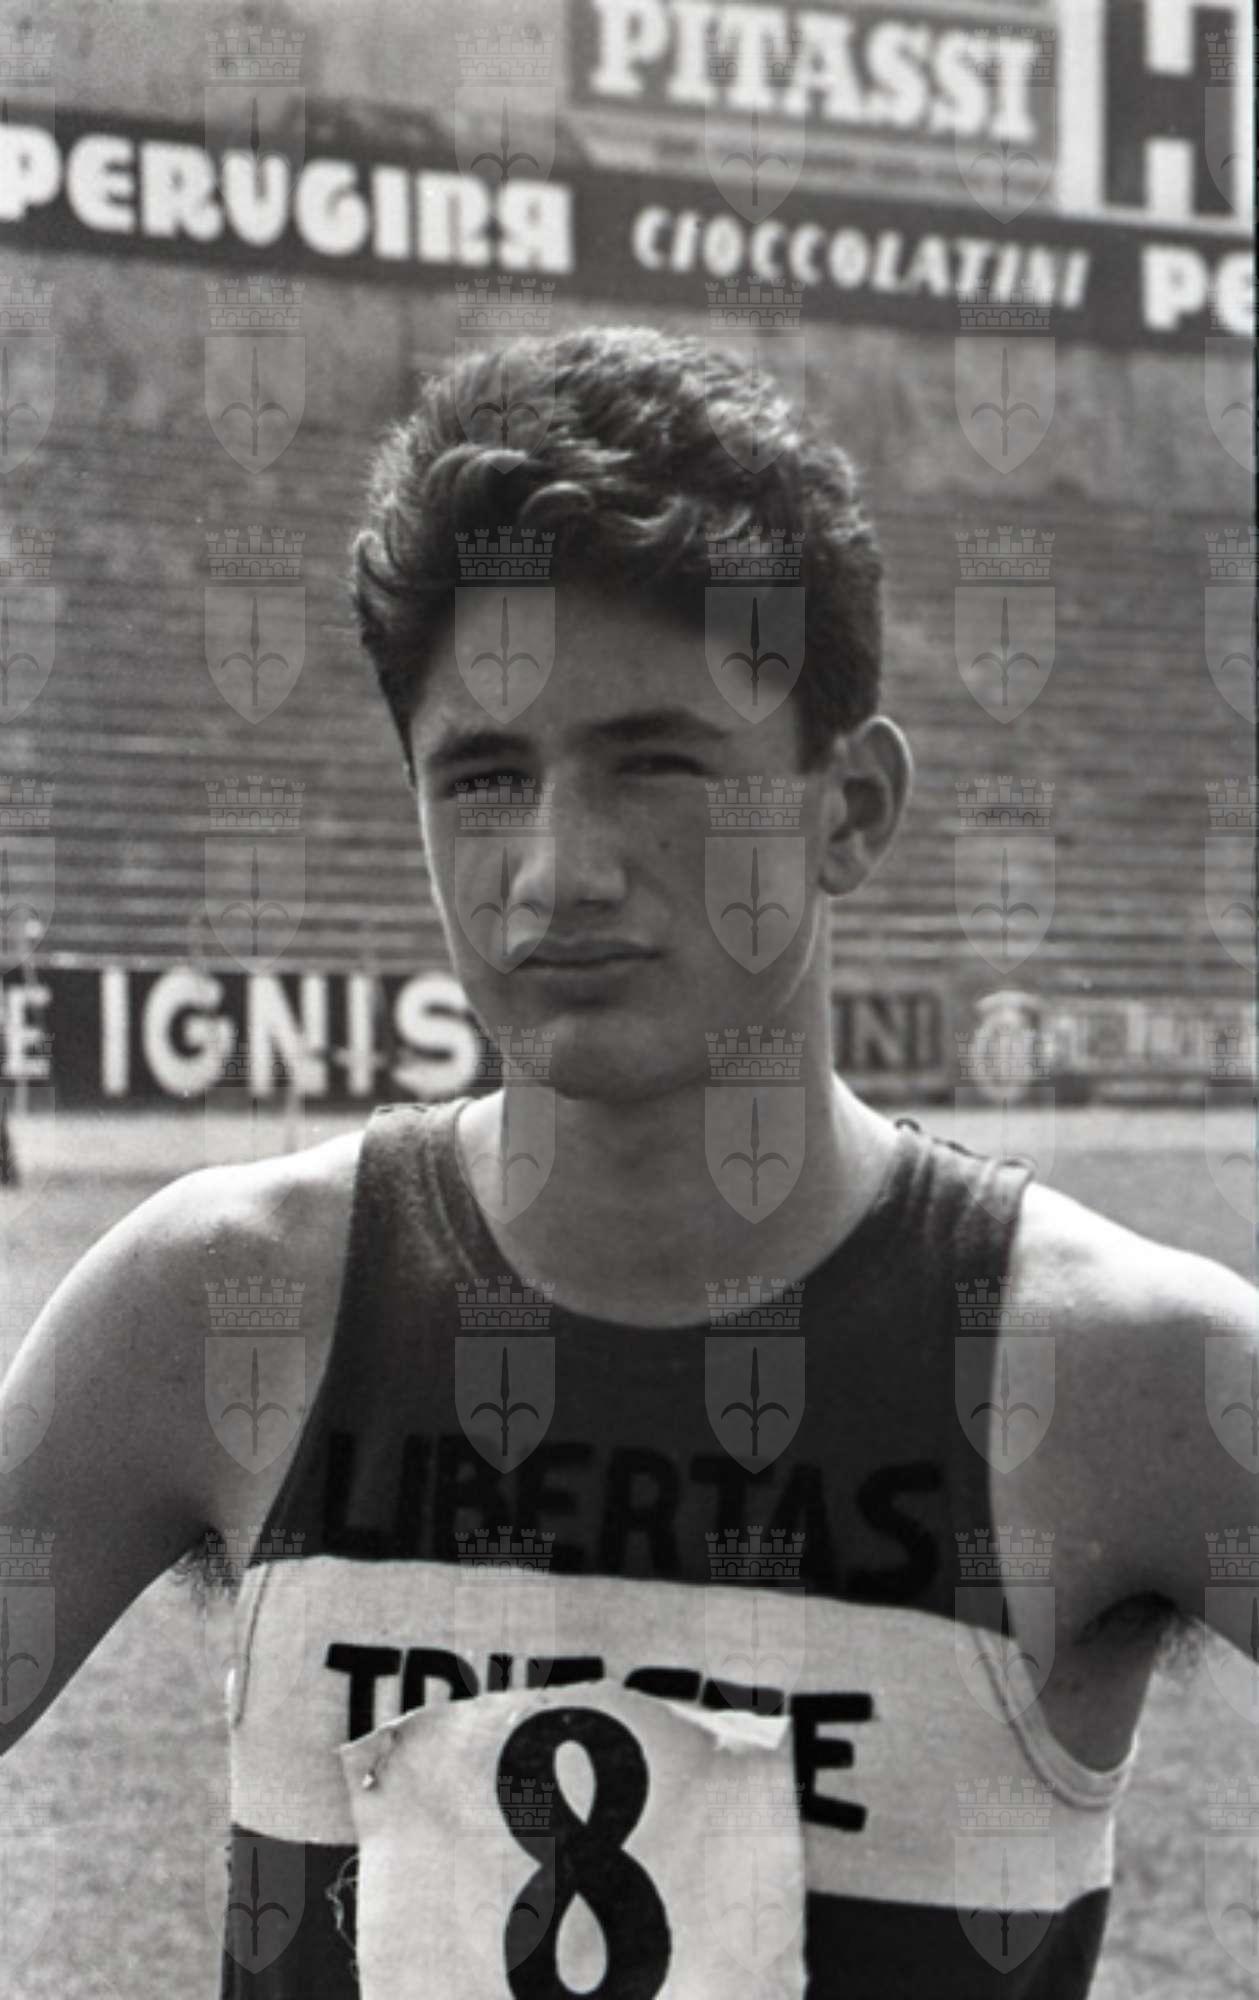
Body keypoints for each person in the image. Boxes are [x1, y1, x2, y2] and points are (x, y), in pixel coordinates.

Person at [1, 323, 1253, 1999]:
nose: (556, 871)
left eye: (656, 764)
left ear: (851, 810)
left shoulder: (1125, 1371)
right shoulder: (219, 1306)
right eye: (484, 776)